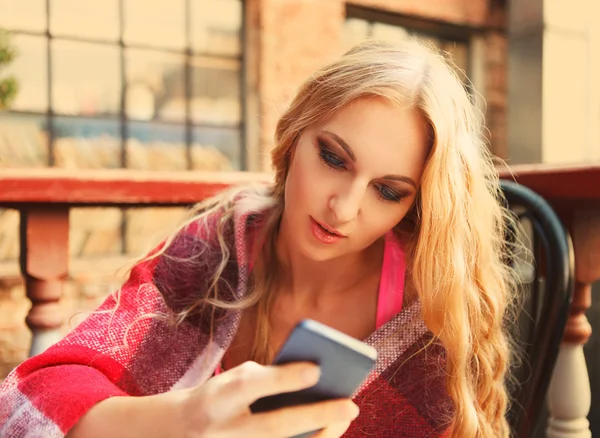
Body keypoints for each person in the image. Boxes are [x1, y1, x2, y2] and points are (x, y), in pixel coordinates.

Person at [0, 39, 516, 437]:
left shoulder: (429, 316)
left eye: (388, 190)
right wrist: (184, 418)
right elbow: (32, 394)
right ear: (293, 137)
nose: (343, 207)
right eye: (333, 158)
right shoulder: (221, 242)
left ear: (416, 205)